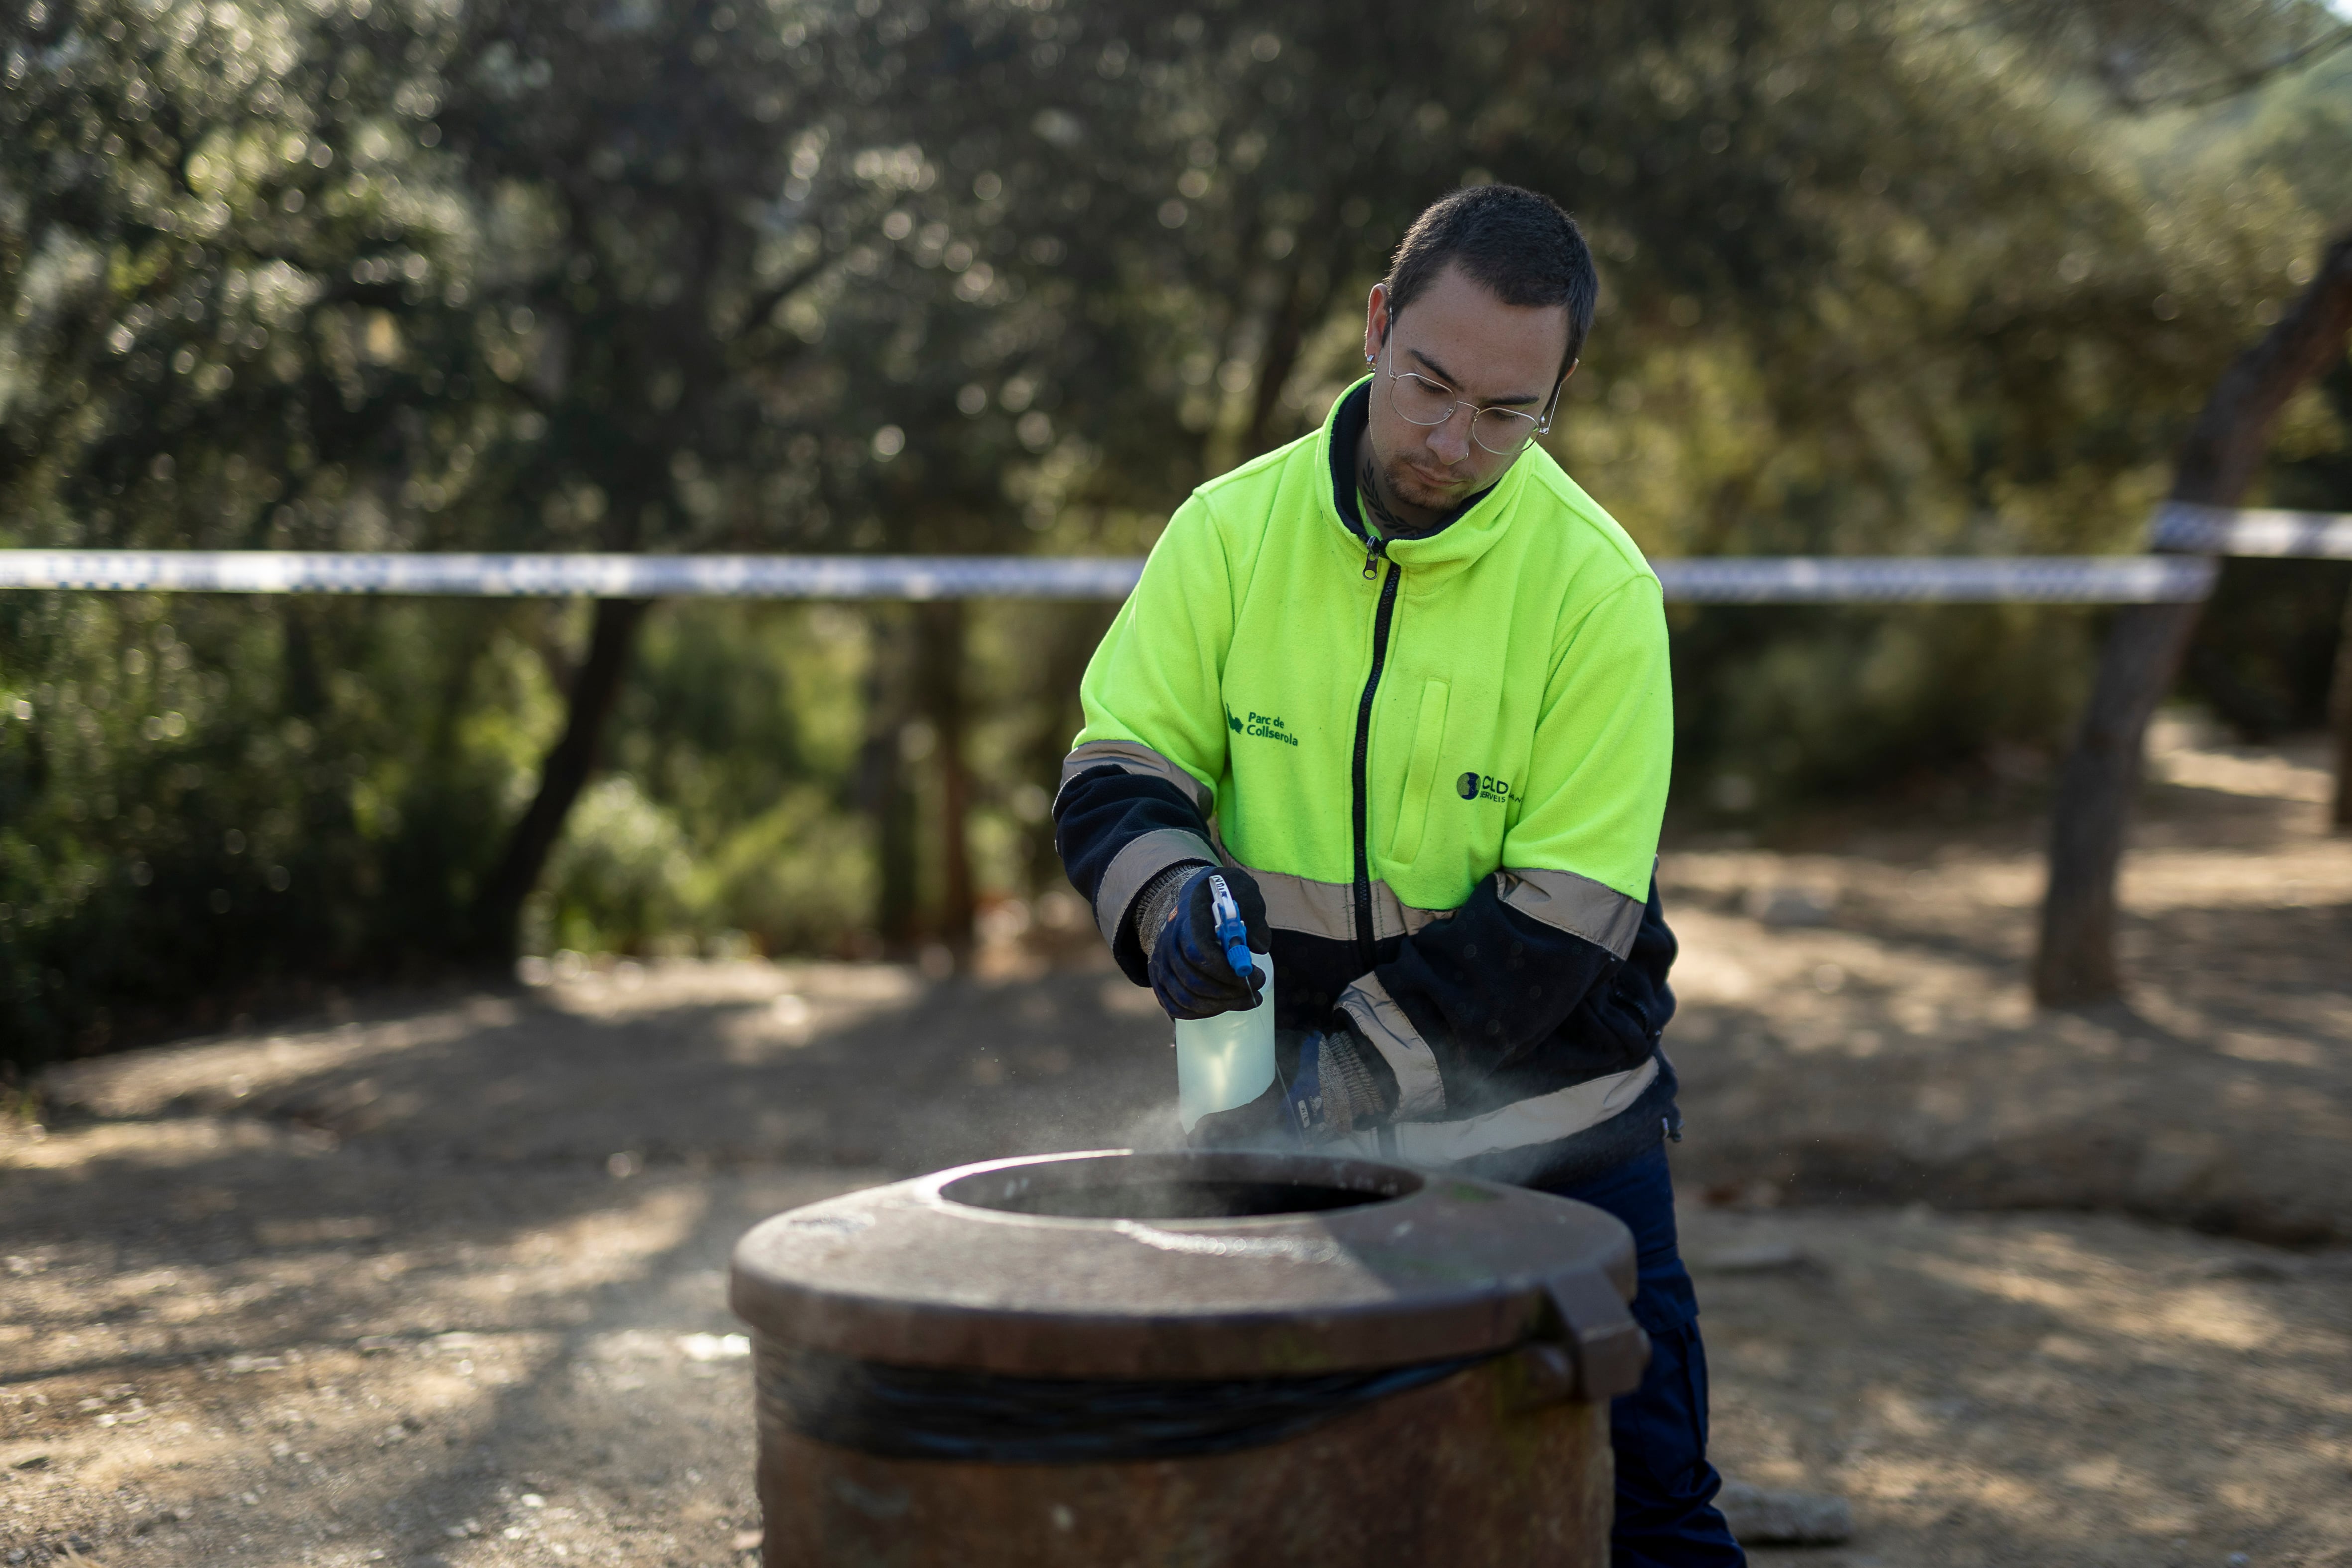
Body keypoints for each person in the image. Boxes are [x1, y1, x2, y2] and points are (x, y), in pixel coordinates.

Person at [1051, 184, 1743, 1565]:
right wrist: (1169, 899)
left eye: (1507, 413)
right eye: (1430, 384)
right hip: (1272, 1128)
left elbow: (1561, 922)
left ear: (1556, 396)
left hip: (1559, 1151)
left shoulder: (1597, 592)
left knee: (1645, 1513)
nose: (1450, 440)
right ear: (1375, 325)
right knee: (1290, 1514)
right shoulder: (1224, 534)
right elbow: (1118, 773)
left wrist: (1332, 1087)